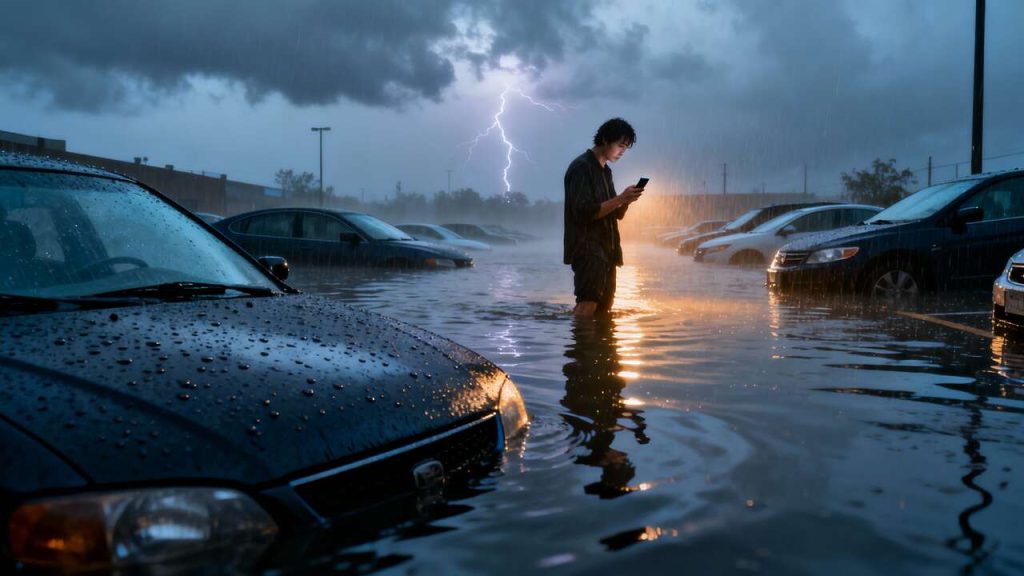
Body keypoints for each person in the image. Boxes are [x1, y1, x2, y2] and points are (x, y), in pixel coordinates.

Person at [563, 118, 643, 316]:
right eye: (620, 145)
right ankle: (580, 346)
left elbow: (615, 213)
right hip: (588, 249)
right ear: (606, 140)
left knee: (603, 308)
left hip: (607, 250)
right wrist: (620, 198)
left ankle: (596, 346)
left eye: (626, 147)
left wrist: (626, 200)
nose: (623, 151)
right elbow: (584, 212)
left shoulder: (605, 171)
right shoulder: (582, 167)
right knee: (588, 302)